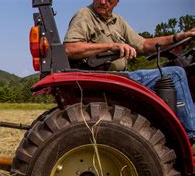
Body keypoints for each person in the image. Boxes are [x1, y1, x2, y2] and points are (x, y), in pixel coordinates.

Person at [63, 0, 195, 138]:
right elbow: (70, 48)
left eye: (109, 0)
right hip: (105, 78)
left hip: (119, 76)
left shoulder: (117, 21)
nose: (103, 2)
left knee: (172, 72)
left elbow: (143, 44)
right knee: (176, 73)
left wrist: (178, 37)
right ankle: (190, 133)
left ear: (117, 2)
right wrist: (111, 46)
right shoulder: (85, 15)